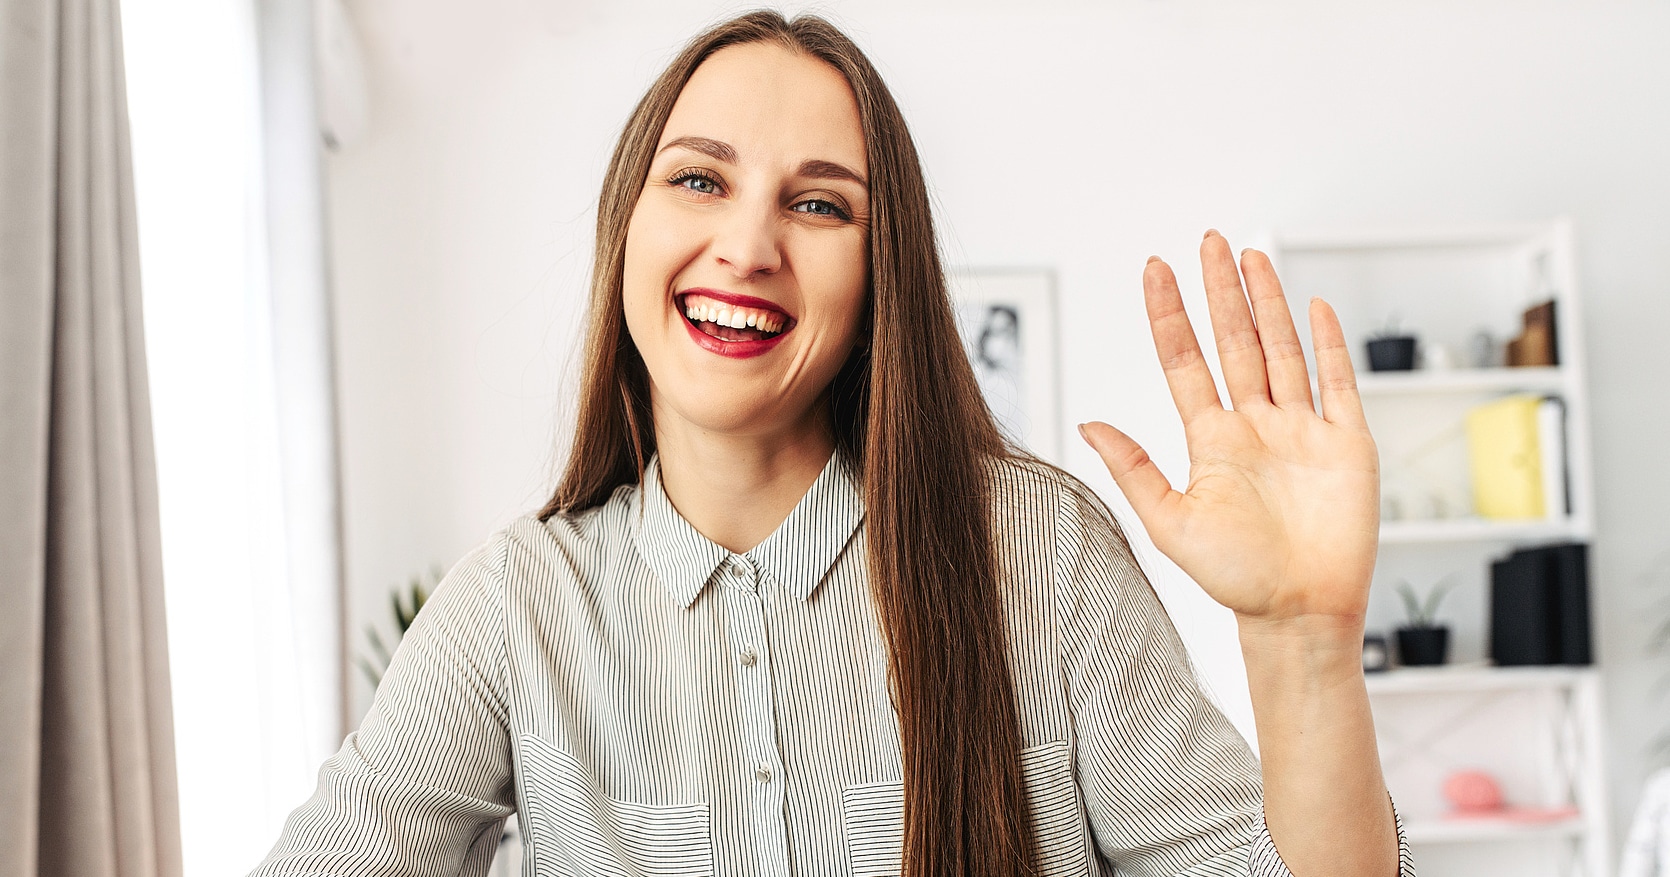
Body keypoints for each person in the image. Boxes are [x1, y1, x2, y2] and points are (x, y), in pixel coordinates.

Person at [252, 11, 1414, 877]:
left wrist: (1303, 641)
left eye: (818, 203)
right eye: (699, 179)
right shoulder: (519, 605)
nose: (747, 242)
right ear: (627, 229)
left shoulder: (1040, 556)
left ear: (876, 278)